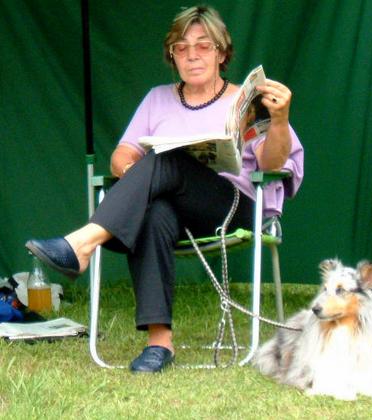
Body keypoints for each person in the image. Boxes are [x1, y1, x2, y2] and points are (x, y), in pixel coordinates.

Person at [26, 5, 304, 373]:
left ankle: (82, 243)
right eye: (181, 47)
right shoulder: (157, 98)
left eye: (204, 46)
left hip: (231, 206)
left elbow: (271, 166)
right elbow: (122, 155)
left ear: (222, 53)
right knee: (154, 208)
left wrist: (280, 119)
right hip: (175, 211)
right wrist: (135, 175)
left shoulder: (247, 101)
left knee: (166, 159)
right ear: (171, 56)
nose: (192, 55)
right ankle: (159, 344)